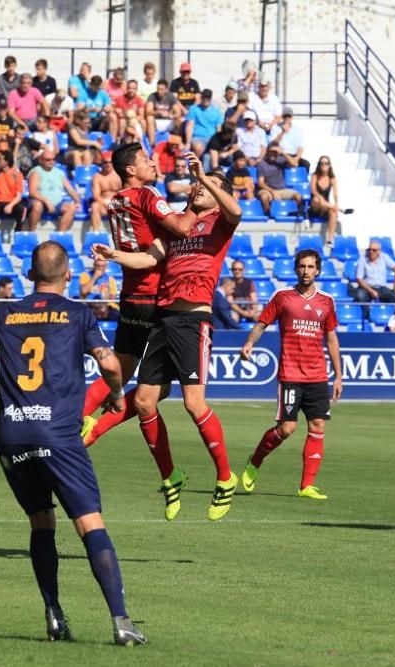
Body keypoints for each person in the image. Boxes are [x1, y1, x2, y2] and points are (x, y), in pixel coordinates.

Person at [0, 240, 146, 645]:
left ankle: (55, 616)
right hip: (57, 434)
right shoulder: (77, 314)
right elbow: (110, 363)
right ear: (68, 276)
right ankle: (121, 621)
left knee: (41, 520)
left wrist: (7, 392)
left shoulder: (5, 313)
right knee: (89, 522)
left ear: (29, 275)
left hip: (11, 433)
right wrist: (115, 393)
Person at [90, 154, 243, 521]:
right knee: (144, 402)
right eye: (196, 186)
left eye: (207, 188)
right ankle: (171, 479)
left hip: (193, 320)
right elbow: (147, 259)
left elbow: (236, 212)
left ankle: (225, 477)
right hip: (163, 318)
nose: (196, 189)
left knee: (194, 404)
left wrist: (206, 179)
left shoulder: (221, 222)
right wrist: (114, 256)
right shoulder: (179, 228)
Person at [79, 143, 216, 474]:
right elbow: (182, 229)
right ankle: (92, 429)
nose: (153, 164)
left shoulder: (116, 201)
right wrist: (199, 208)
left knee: (121, 370)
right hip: (158, 297)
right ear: (130, 170)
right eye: (145, 160)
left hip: (130, 294)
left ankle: (78, 420)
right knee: (157, 389)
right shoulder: (146, 194)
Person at [238, 248, 341, 500]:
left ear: (318, 270)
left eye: (310, 267)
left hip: (317, 375)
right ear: (296, 269)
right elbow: (262, 323)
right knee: (286, 428)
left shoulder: (326, 301)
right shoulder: (282, 296)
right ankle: (256, 460)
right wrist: (250, 342)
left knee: (317, 426)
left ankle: (306, 486)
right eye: (302, 266)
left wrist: (339, 375)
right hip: (291, 373)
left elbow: (331, 338)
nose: (306, 271)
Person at [26, 151, 79, 231]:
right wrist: (46, 201)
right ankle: (32, 232)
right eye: (48, 160)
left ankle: (59, 235)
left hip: (57, 203)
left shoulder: (59, 172)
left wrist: (77, 201)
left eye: (53, 159)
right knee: (37, 205)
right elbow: (32, 192)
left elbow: (70, 189)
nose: (51, 162)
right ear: (41, 160)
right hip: (41, 202)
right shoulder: (36, 172)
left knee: (71, 207)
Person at [350, 240, 395, 319]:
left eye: (374, 250)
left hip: (381, 288)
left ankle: (393, 320)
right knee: (361, 296)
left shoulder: (384, 257)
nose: (371, 252)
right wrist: (371, 291)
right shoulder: (362, 260)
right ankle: (366, 319)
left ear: (379, 251)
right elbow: (359, 279)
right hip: (366, 287)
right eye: (369, 249)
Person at [0, 151, 25, 235]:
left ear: (7, 161)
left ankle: (17, 236)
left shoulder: (17, 175)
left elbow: (18, 196)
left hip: (12, 202)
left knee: (20, 210)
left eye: (0, 159)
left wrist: (10, 205)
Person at [257, 145, 302, 216]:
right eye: (271, 152)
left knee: (298, 196)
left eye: (275, 152)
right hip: (268, 189)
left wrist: (283, 152)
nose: (272, 154)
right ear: (267, 152)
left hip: (282, 189)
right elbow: (261, 183)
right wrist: (273, 192)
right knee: (264, 196)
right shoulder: (262, 164)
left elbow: (295, 164)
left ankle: (295, 213)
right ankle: (268, 214)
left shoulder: (281, 160)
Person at [309, 156, 343, 247]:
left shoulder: (332, 178)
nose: (324, 165)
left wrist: (336, 204)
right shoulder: (315, 176)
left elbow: (336, 194)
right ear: (319, 165)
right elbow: (313, 190)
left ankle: (330, 239)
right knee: (317, 200)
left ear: (329, 165)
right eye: (322, 163)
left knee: (333, 212)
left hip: (325, 206)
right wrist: (320, 198)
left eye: (326, 163)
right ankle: (340, 209)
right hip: (315, 205)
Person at [184, 89, 223, 157]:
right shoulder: (193, 109)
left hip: (211, 138)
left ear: (211, 99)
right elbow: (190, 126)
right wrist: (188, 142)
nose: (206, 99)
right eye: (204, 97)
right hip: (197, 137)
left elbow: (219, 128)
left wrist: (218, 142)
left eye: (208, 97)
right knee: (198, 148)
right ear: (201, 97)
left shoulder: (217, 111)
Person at [90, 152, 121, 232]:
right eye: (105, 162)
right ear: (102, 163)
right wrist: (105, 203)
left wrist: (114, 203)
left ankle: (123, 233)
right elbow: (96, 195)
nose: (108, 164)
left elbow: (124, 192)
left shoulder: (119, 176)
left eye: (110, 162)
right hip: (103, 205)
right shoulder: (97, 177)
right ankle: (96, 233)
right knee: (94, 206)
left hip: (117, 203)